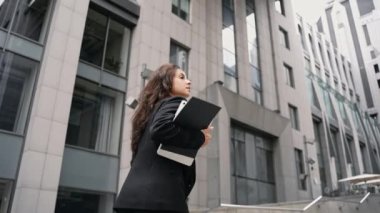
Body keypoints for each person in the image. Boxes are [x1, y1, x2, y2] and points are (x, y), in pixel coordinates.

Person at [114, 63, 213, 213]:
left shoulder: (147, 115)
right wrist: (200, 138)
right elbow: (162, 128)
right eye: (181, 77)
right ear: (166, 82)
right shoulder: (174, 101)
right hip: (159, 201)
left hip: (131, 199)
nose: (188, 81)